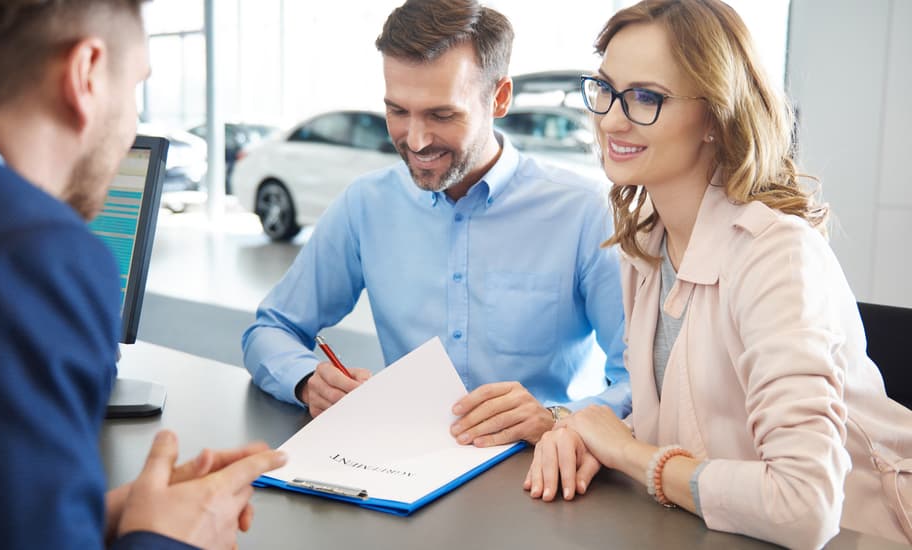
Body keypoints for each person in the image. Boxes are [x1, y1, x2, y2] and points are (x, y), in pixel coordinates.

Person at [524, 1, 912, 548]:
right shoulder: (647, 246)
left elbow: (805, 505)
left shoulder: (776, 256)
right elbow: (694, 426)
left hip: (866, 536)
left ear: (715, 117)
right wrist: (584, 434)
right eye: (606, 89)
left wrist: (628, 454)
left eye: (645, 98)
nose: (611, 119)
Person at [0, 2, 285, 548]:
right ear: (85, 73)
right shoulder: (27, 255)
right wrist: (168, 539)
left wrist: (88, 515)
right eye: (136, 87)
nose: (133, 123)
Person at [242, 0, 630, 448]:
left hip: (536, 472)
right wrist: (308, 379)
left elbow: (640, 384)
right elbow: (270, 330)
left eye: (441, 115)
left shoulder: (583, 212)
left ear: (499, 98)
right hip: (404, 463)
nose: (416, 139)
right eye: (397, 111)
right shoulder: (365, 205)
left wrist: (556, 417)